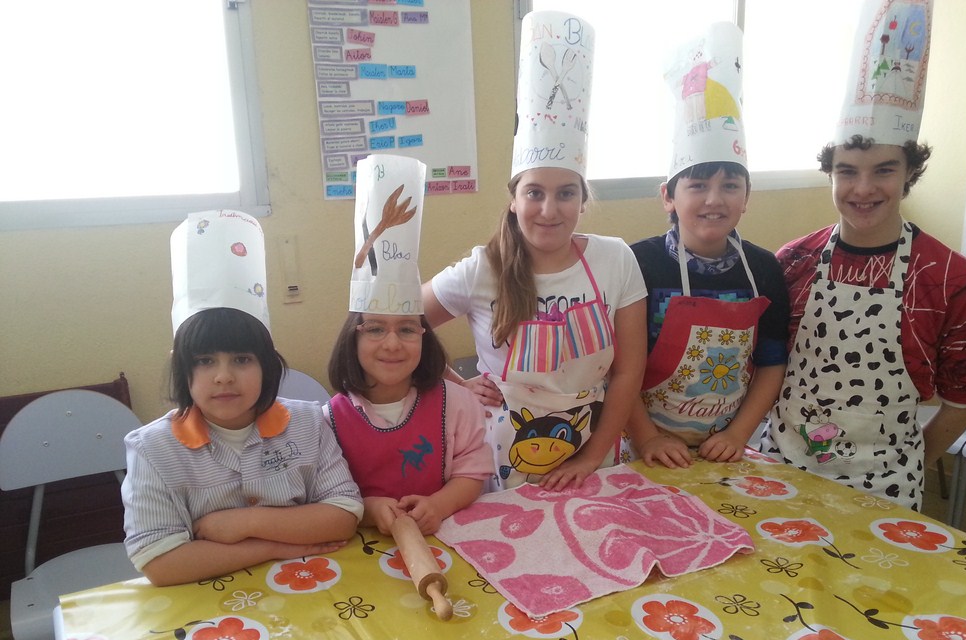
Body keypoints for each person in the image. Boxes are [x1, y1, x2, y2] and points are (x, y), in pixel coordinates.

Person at [762, 0, 966, 510]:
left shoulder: (951, 278)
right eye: (847, 171)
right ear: (830, 174)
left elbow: (962, 401)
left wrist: (904, 465)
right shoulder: (793, 261)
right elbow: (766, 366)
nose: (863, 189)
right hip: (782, 467)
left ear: (910, 173)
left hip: (886, 484)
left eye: (884, 170)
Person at [423, 10, 647, 492]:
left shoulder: (615, 259)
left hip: (595, 445)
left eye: (566, 193)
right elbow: (406, 320)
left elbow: (629, 372)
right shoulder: (483, 268)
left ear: (583, 200)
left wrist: (590, 457)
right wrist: (457, 384)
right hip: (504, 452)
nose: (549, 209)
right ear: (513, 199)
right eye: (534, 193)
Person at [123, 211, 363, 587]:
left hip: (309, 586)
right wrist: (270, 548)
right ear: (182, 369)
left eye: (241, 359)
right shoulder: (154, 449)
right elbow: (160, 562)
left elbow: (343, 515)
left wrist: (244, 522)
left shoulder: (308, 422)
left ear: (267, 365)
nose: (223, 376)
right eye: (205, 361)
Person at [626, 22, 789, 469]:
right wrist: (647, 438)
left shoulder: (764, 269)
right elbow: (617, 367)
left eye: (730, 185)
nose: (715, 200)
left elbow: (771, 362)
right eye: (698, 185)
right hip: (640, 445)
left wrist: (738, 435)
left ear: (747, 196)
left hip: (726, 450)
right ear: (668, 196)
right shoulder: (636, 263)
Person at [326, 154, 492, 536]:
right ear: (352, 337)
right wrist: (369, 510)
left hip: (448, 535)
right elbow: (327, 493)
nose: (392, 344)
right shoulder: (329, 420)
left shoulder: (458, 405)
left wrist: (439, 505)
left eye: (406, 330)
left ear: (424, 336)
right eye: (374, 329)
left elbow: (473, 470)